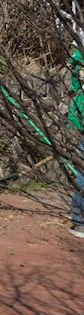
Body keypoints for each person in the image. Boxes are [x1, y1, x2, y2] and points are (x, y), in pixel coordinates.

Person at [68, 47, 83, 240]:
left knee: (82, 169)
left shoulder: (79, 54)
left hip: (81, 114)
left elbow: (74, 85)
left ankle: (79, 221)